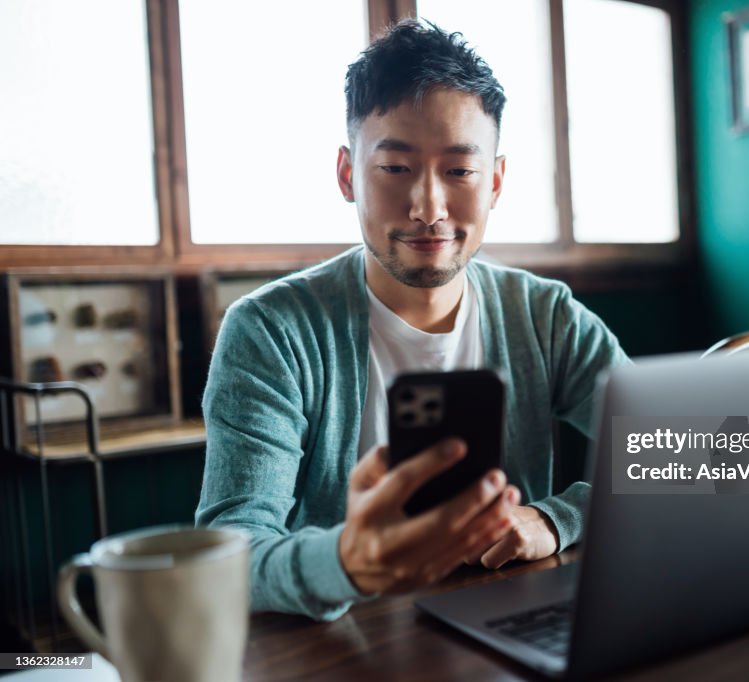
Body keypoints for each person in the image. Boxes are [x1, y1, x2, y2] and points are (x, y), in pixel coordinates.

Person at [196, 20, 629, 621]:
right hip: (340, 644)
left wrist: (556, 519)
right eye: (396, 168)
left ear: (495, 182)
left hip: (509, 625)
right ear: (347, 175)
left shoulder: (544, 316)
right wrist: (348, 563)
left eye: (460, 171)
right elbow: (230, 552)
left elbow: (675, 456)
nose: (428, 208)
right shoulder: (270, 331)